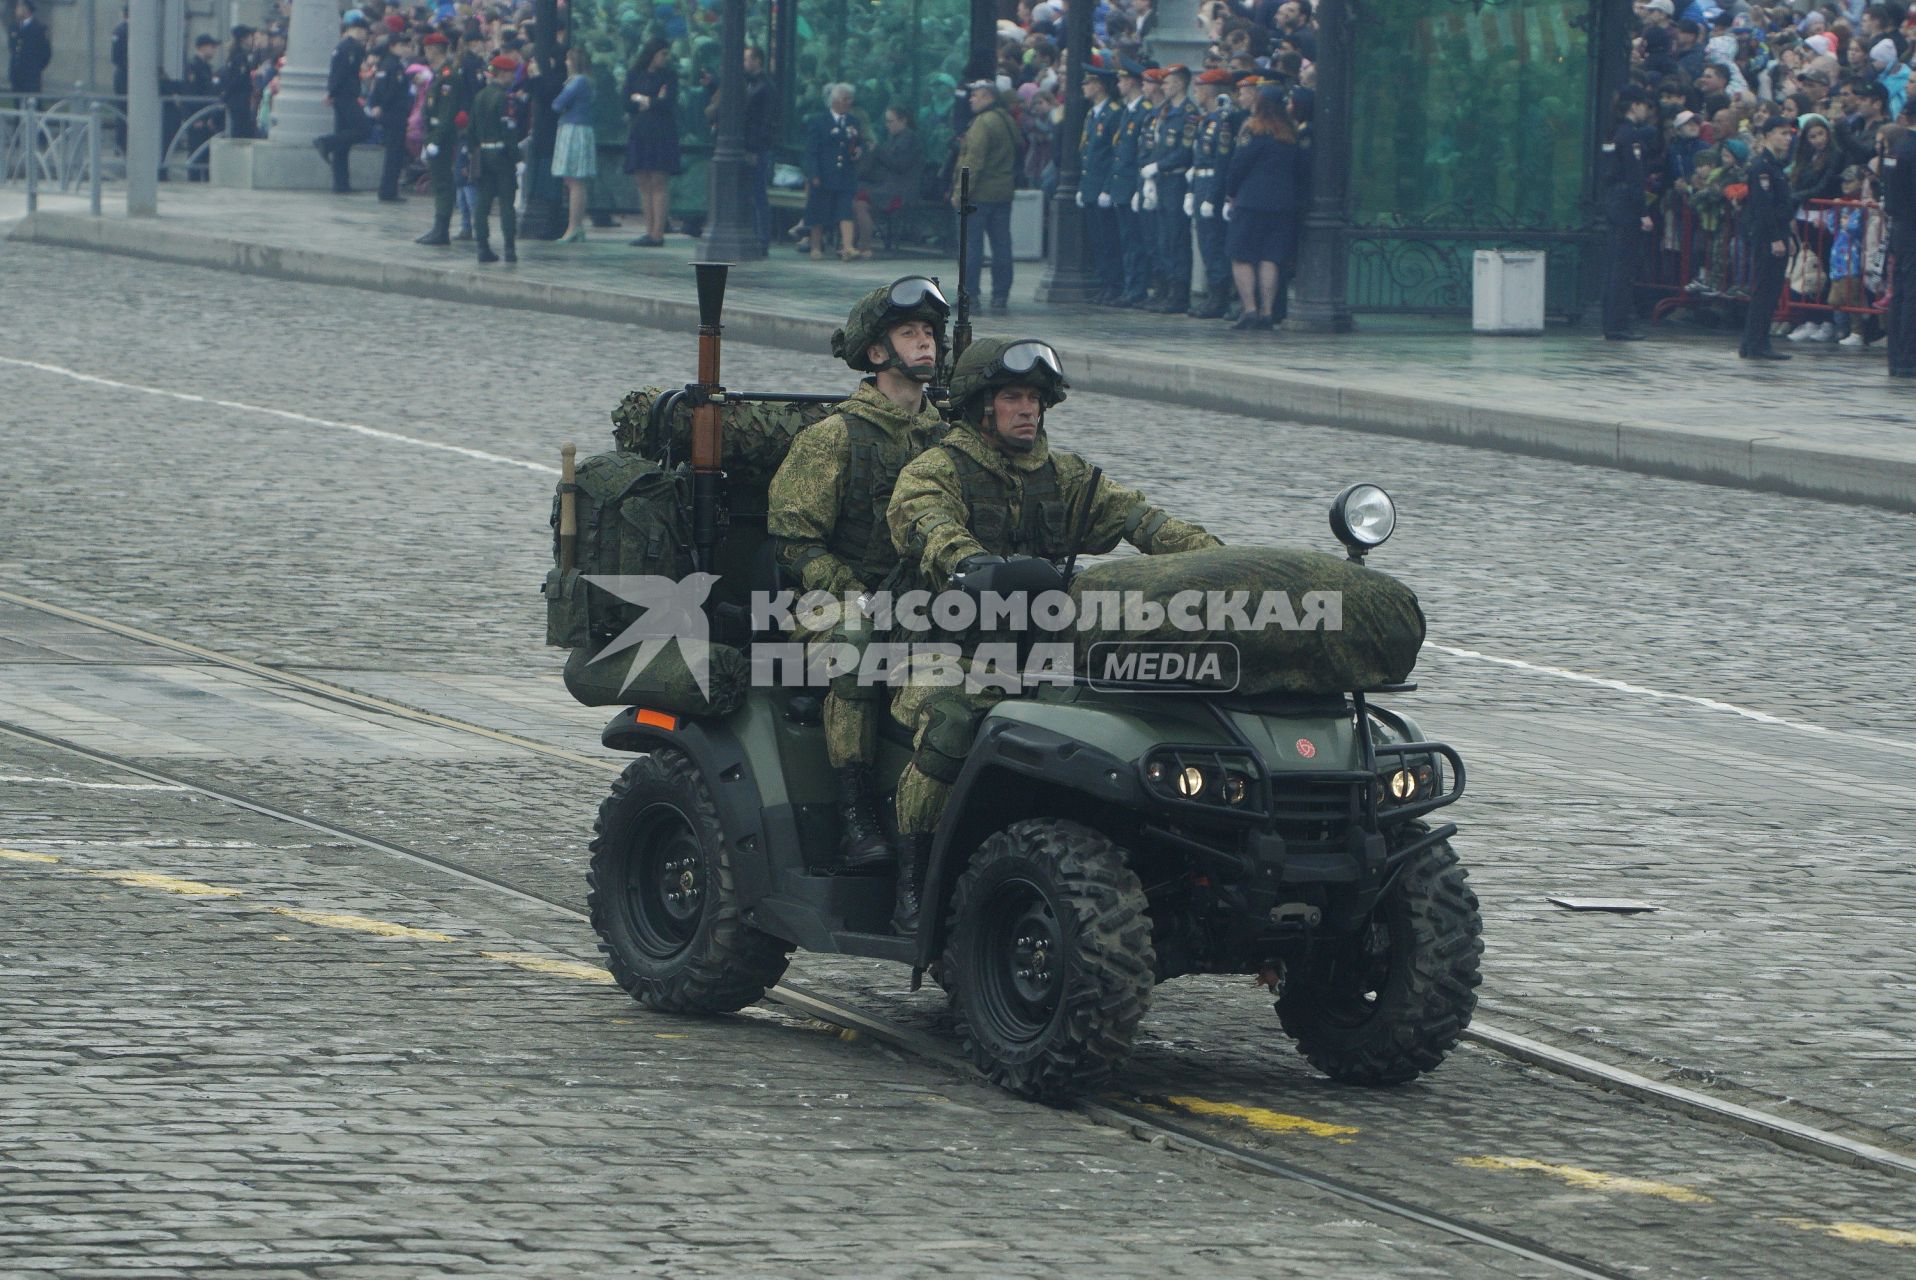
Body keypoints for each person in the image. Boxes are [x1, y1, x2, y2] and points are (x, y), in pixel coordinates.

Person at [883, 337, 1222, 933]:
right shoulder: (934, 471)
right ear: (980, 406)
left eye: (1035, 398)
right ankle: (913, 876)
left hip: (1050, 655)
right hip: (945, 650)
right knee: (952, 726)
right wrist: (975, 567)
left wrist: (1216, 562)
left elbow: (1140, 519)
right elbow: (928, 529)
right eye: (1012, 397)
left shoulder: (1064, 476)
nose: (1028, 410)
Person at [767, 278, 952, 874]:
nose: (924, 344)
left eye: (929, 334)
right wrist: (861, 597)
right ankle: (856, 816)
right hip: (828, 604)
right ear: (877, 353)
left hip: (926, 600)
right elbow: (793, 540)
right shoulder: (834, 437)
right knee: (855, 643)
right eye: (909, 334)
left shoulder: (950, 438)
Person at [1223, 83, 1302, 331]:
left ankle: (1250, 310)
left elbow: (1239, 164)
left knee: (1242, 255)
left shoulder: (1253, 128)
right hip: (1282, 203)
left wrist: (1230, 192)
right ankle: (1268, 311)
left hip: (1251, 201)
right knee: (1270, 258)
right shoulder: (1290, 132)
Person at [954, 78, 1019, 311]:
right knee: (1002, 245)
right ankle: (1000, 294)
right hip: (1002, 192)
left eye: (976, 95)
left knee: (972, 246)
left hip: (980, 194)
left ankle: (969, 295)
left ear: (989, 97)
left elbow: (974, 161)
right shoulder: (1007, 119)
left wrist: (961, 193)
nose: (971, 99)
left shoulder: (983, 122)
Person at [1599, 85, 1657, 341]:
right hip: (1627, 205)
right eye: (1643, 105)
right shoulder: (1631, 136)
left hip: (1613, 201)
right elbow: (1635, 177)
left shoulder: (1613, 133)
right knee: (1623, 267)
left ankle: (1610, 321)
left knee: (1614, 265)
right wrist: (1642, 211)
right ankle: (1618, 324)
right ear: (1634, 106)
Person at [1741, 116, 1798, 361]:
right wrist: (1776, 238)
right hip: (1768, 236)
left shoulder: (1775, 166)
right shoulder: (1762, 167)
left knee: (1771, 290)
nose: (1787, 139)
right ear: (1767, 135)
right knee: (1765, 289)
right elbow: (1764, 207)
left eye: (1789, 134)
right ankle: (1755, 343)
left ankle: (1758, 341)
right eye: (1781, 133)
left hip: (1779, 231)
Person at [1187, 68, 1239, 319]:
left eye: (1199, 88)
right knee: (1206, 244)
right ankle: (1214, 295)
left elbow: (1222, 162)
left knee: (1213, 244)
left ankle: (1219, 297)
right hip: (1200, 182)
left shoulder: (1221, 121)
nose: (1196, 92)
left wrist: (1212, 196)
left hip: (1211, 186)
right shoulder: (1206, 119)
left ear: (1208, 90)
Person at [1146, 65, 1196, 313]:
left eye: (1167, 82)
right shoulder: (1165, 112)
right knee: (1163, 237)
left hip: (1175, 179)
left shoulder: (1187, 114)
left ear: (1179, 84)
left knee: (1176, 237)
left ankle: (1178, 292)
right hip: (1162, 180)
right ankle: (1164, 287)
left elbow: (1184, 151)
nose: (1163, 87)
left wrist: (1160, 165)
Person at [622, 37, 680, 247]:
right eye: (663, 54)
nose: (665, 58)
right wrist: (651, 99)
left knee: (659, 180)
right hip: (641, 130)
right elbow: (626, 102)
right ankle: (648, 229)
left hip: (662, 132)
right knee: (643, 181)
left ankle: (658, 233)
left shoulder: (669, 75)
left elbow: (668, 102)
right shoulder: (634, 74)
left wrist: (644, 99)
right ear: (652, 54)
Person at [1077, 63, 1123, 305]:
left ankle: (1113, 284)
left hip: (1103, 185)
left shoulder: (1113, 113)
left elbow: (1112, 154)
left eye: (1088, 83)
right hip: (1091, 185)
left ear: (1099, 86)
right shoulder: (1093, 114)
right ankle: (1105, 283)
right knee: (1097, 240)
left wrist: (1106, 187)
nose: (1084, 87)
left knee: (1108, 241)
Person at [468, 53, 520, 264]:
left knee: (483, 202)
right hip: (502, 154)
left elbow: (471, 129)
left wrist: (473, 153)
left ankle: (482, 247)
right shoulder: (505, 98)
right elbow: (509, 129)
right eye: (511, 73)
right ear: (504, 74)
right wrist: (517, 156)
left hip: (482, 152)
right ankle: (509, 248)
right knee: (507, 202)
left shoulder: (480, 96)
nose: (513, 78)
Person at [805, 83, 865, 261]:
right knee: (819, 211)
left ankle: (847, 247)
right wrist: (813, 173)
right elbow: (811, 151)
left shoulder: (853, 122)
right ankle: (815, 246)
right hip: (824, 174)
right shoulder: (819, 122)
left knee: (845, 210)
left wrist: (859, 150)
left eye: (850, 99)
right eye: (845, 99)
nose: (848, 103)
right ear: (835, 100)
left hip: (845, 174)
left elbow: (859, 142)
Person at [1107, 61, 1150, 307]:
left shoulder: (1142, 111)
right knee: (1126, 240)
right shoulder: (1128, 111)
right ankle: (1130, 286)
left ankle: (1137, 287)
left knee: (1135, 241)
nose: (1119, 84)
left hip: (1131, 185)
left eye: (1123, 79)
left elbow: (1136, 153)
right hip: (1120, 185)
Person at [315, 10, 372, 194]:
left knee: (344, 141)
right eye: (364, 31)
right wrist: (331, 92)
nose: (365, 35)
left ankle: (341, 184)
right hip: (345, 95)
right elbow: (341, 73)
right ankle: (326, 142)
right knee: (363, 129)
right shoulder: (350, 47)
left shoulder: (342, 46)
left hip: (341, 94)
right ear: (356, 29)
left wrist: (331, 92)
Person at [856, 105, 923, 253]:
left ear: (903, 120)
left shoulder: (910, 139)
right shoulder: (894, 138)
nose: (887, 125)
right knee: (856, 197)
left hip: (900, 191)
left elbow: (899, 165)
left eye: (890, 121)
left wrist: (878, 151)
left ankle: (865, 245)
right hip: (888, 187)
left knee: (860, 202)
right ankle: (860, 243)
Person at [413, 33, 459, 245]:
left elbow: (447, 112)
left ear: (433, 49)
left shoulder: (448, 74)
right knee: (439, 181)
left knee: (442, 183)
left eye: (427, 49)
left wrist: (436, 140)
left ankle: (441, 230)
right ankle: (438, 228)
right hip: (433, 133)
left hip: (441, 135)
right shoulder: (440, 73)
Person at [550, 47, 597, 243]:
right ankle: (576, 226)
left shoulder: (577, 81)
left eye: (569, 60)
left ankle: (573, 226)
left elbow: (557, 104)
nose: (566, 63)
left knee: (574, 180)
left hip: (573, 130)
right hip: (580, 129)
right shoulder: (587, 81)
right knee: (575, 181)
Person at [1883, 122, 1916, 375]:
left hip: (1899, 227)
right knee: (1911, 296)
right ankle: (1908, 356)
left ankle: (1896, 355)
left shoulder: (1896, 150)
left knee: (1901, 293)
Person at [370, 28, 413, 201]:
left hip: (388, 113)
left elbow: (378, 88)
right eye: (402, 45)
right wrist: (381, 105)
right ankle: (388, 191)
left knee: (392, 153)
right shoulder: (394, 66)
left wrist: (375, 104)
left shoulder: (384, 64)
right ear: (392, 46)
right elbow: (392, 91)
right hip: (395, 113)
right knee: (394, 154)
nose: (405, 49)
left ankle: (387, 189)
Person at [182, 34, 220, 181]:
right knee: (196, 154)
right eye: (212, 47)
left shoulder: (206, 67)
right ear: (203, 47)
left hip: (206, 118)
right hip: (197, 119)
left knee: (206, 155)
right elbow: (189, 94)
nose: (214, 50)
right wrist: (194, 118)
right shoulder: (194, 67)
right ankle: (194, 182)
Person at [221, 26, 259, 141]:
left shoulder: (235, 55)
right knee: (241, 132)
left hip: (237, 99)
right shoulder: (240, 57)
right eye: (250, 37)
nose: (252, 39)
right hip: (240, 100)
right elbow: (239, 79)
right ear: (243, 39)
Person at [7, 0, 49, 96]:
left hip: (31, 77)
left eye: (18, 7)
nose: (16, 10)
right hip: (16, 75)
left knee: (32, 103)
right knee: (17, 105)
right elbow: (13, 49)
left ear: (26, 9)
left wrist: (34, 68)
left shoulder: (38, 28)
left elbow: (45, 54)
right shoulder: (14, 27)